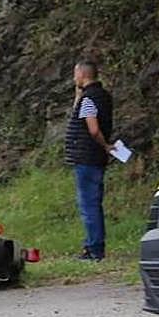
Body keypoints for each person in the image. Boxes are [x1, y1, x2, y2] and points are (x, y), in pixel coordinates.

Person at [65, 60, 115, 261]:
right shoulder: (101, 96)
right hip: (94, 157)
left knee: (89, 204)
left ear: (82, 75)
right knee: (93, 202)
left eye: (75, 74)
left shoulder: (89, 99)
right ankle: (93, 245)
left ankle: (94, 248)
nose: (74, 78)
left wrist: (105, 145)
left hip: (87, 157)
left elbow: (93, 128)